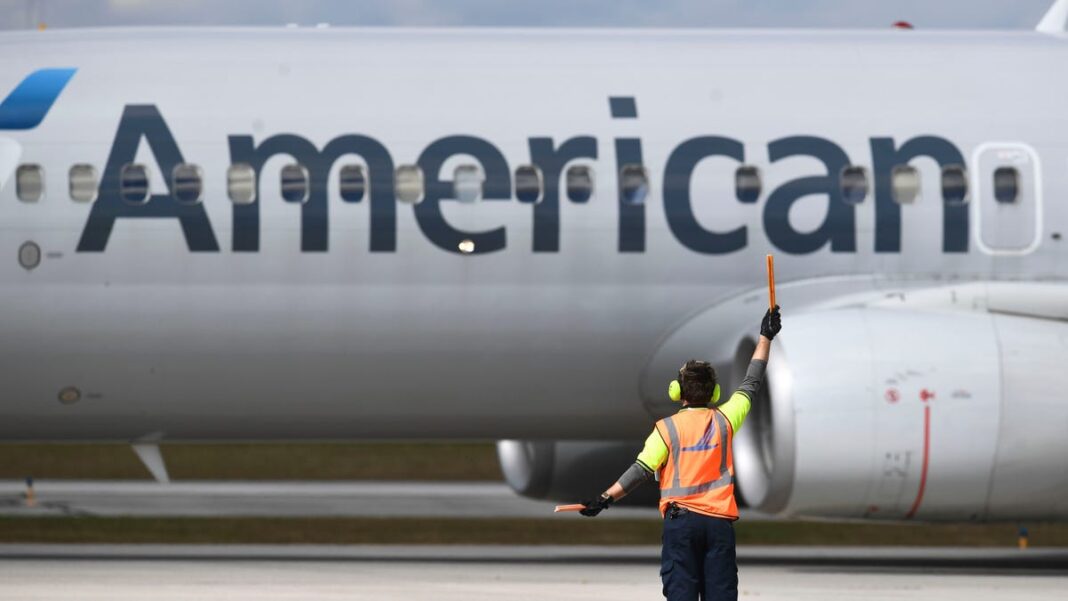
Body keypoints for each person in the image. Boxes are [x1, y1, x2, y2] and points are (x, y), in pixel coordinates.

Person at [577, 306, 782, 601]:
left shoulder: (666, 429)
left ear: (677, 392)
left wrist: (605, 499)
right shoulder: (726, 419)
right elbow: (752, 381)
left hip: (682, 524)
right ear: (714, 394)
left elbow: (640, 470)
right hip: (718, 524)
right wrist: (765, 337)